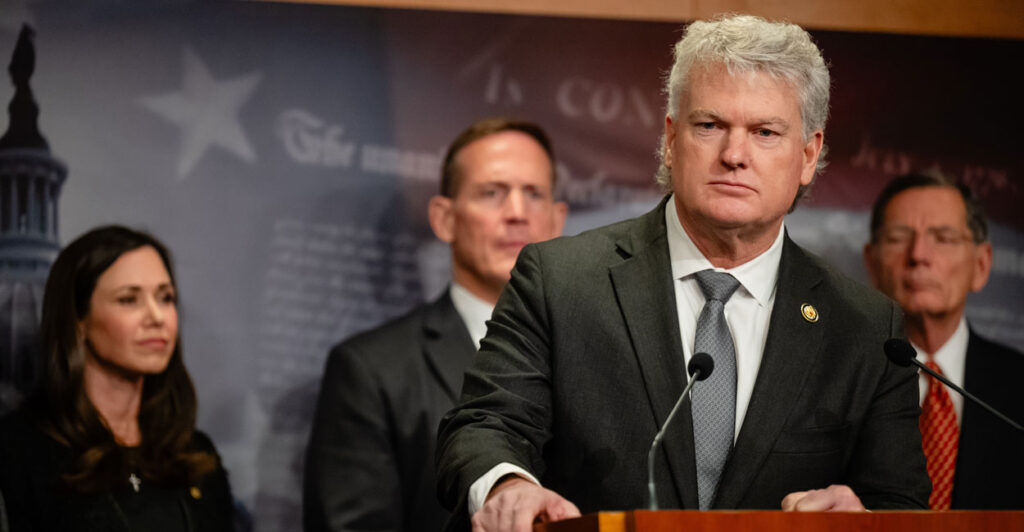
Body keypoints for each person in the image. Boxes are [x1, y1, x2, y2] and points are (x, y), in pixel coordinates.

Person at [436, 15, 930, 532]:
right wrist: (508, 486)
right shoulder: (559, 281)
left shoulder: (866, 328)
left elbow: (902, 504)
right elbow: (484, 424)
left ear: (807, 156)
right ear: (671, 140)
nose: (734, 155)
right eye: (709, 126)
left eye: (764, 132)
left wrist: (864, 519)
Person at [303, 118, 568, 532]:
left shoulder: (601, 353)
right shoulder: (370, 369)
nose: (517, 213)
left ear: (557, 219)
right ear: (444, 219)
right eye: (492, 193)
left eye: (534, 193)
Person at [0, 225, 234, 531]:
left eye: (165, 298)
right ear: (78, 320)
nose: (157, 317)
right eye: (128, 300)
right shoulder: (19, 452)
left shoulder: (195, 452)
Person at [864, 171, 1024, 510]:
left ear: (981, 265)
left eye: (944, 238)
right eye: (897, 238)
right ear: (872, 264)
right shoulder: (839, 380)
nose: (918, 255)